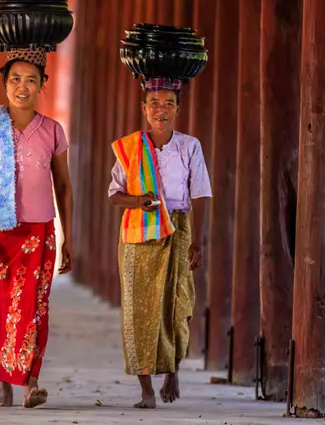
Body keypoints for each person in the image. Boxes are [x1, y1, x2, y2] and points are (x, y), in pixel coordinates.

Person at [0, 48, 74, 409]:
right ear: (4, 83)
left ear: (43, 84)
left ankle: (31, 383)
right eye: (15, 79)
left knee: (32, 306)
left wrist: (67, 235)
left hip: (38, 229)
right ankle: (4, 383)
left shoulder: (53, 130)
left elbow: (64, 185)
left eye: (30, 80)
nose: (22, 87)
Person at [107, 77, 211, 409]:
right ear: (143, 109)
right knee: (138, 310)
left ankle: (172, 368)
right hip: (140, 231)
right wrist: (138, 201)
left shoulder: (189, 146)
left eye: (168, 104)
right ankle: (146, 390)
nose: (160, 111)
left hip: (178, 228)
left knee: (178, 304)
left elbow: (201, 192)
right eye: (154, 104)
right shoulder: (130, 148)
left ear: (178, 110)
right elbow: (114, 195)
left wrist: (199, 240)